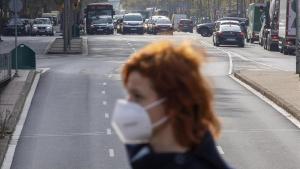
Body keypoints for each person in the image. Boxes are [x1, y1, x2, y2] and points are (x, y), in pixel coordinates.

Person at [111, 41, 233, 169]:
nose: (128, 104)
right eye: (128, 94)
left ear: (172, 104)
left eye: (138, 96)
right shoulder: (143, 158)